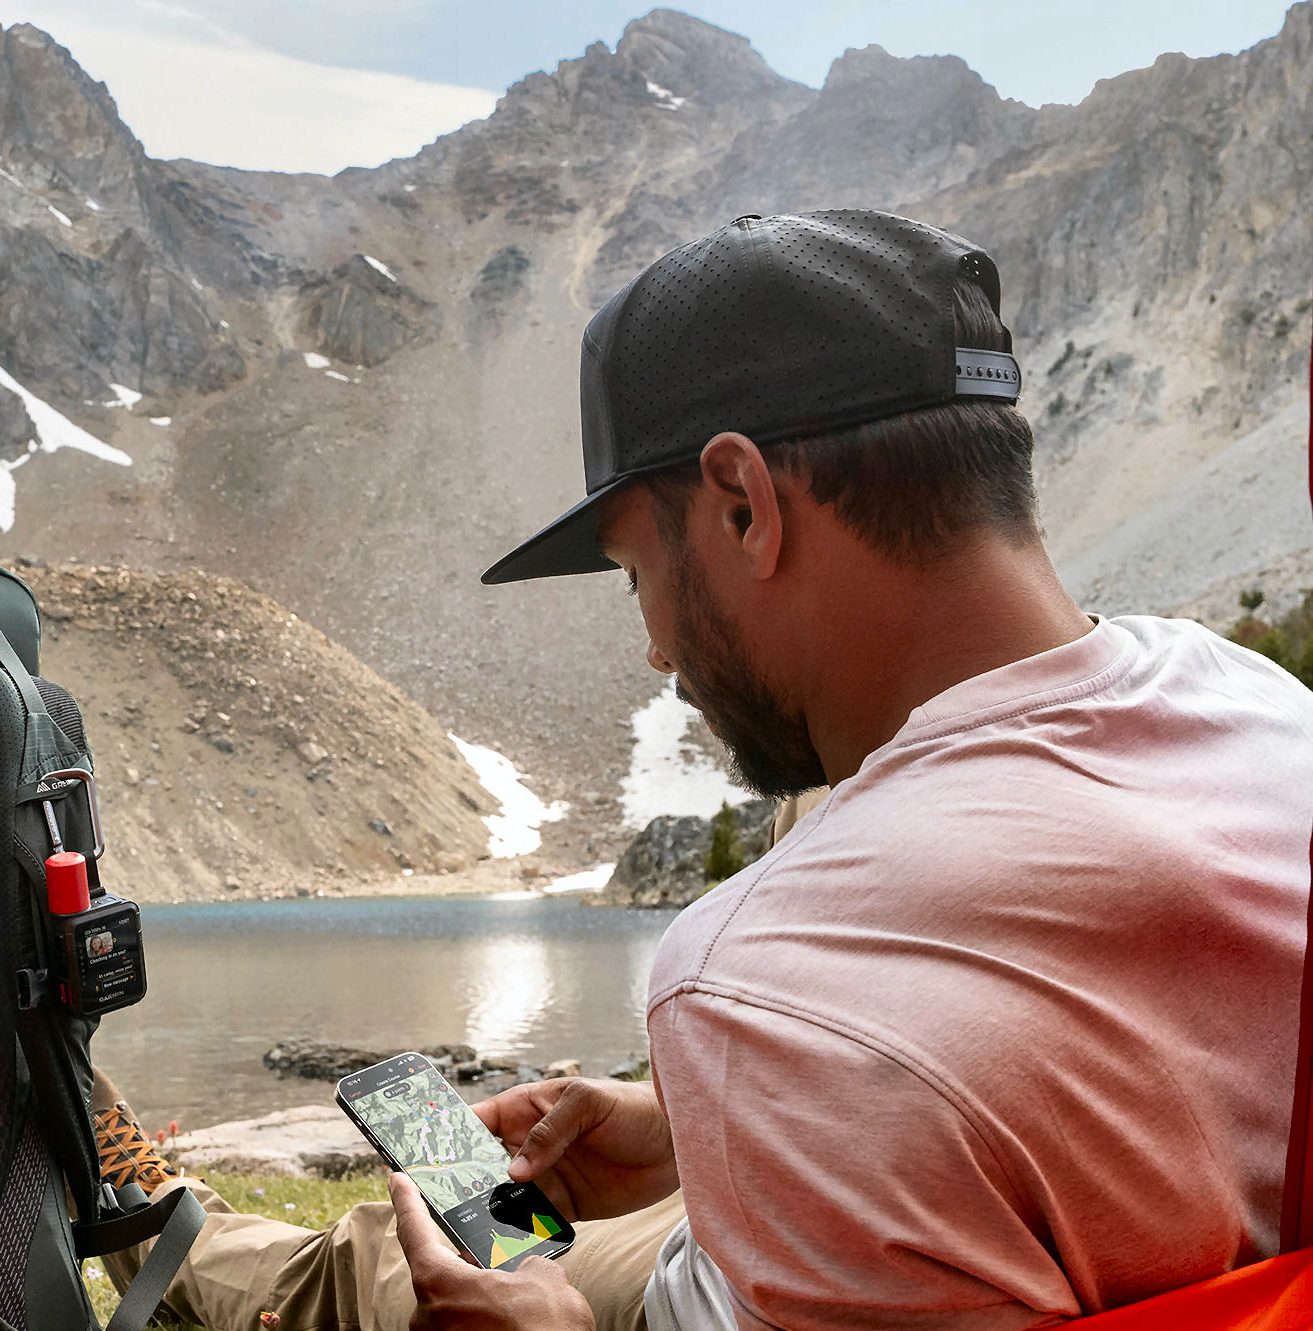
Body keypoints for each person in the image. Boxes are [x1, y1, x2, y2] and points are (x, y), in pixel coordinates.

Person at [105, 210, 1313, 1329]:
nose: (655, 649)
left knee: (418, 1258)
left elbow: (894, 1041)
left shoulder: (768, 982)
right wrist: (698, 1125)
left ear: (743, 504)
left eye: (639, 574)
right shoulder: (1258, 707)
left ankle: (158, 1230)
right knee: (478, 1221)